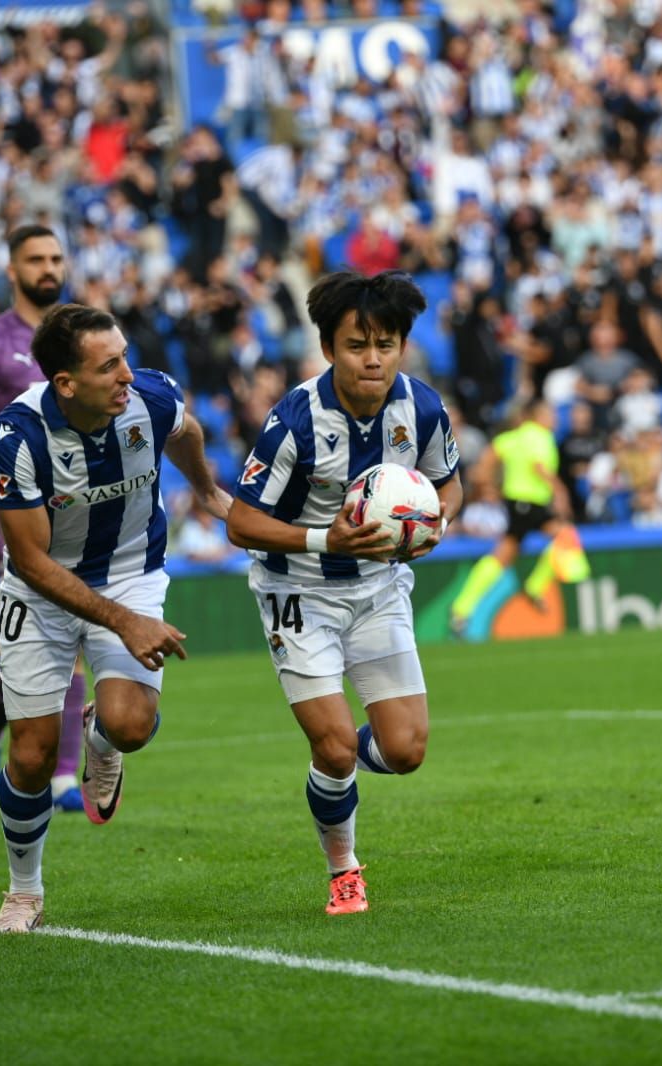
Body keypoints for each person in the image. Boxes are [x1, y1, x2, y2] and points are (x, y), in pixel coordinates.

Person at [0, 303, 230, 933]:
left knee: (131, 727)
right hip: (41, 592)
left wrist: (206, 491)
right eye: (110, 364)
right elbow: (33, 563)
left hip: (131, 572)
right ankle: (23, 891)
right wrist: (122, 623)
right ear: (66, 384)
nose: (128, 373)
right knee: (33, 756)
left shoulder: (148, 398)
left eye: (124, 356)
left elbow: (188, 431)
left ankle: (99, 735)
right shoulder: (17, 437)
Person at [225, 271, 462, 917]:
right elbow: (241, 521)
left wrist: (434, 523)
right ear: (329, 348)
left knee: (405, 751)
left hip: (378, 587)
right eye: (357, 345)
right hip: (298, 591)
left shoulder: (422, 408)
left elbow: (448, 484)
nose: (373, 358)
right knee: (332, 747)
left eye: (384, 343)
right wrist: (322, 542)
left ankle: (331, 760)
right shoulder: (294, 421)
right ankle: (343, 868)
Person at [0, 225, 87, 814]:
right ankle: (59, 777)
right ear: (12, 270)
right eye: (36, 259)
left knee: (61, 635)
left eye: (56, 257)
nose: (48, 268)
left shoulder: (85, 337)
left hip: (78, 508)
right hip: (9, 512)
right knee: (44, 633)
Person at [447, 397, 590, 638]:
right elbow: (540, 467)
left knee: (502, 556)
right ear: (539, 416)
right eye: (550, 414)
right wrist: (560, 492)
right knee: (566, 535)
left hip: (515, 504)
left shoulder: (512, 437)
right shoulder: (539, 436)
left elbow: (486, 462)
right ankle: (535, 586)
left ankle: (461, 609)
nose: (555, 419)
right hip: (531, 503)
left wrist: (487, 486)